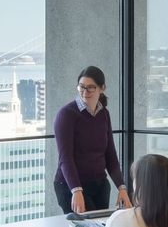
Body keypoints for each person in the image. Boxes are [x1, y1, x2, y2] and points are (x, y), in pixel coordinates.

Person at [52, 65, 131, 216]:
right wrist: (76, 189)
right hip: (70, 186)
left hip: (100, 185)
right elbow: (65, 158)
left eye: (90, 88)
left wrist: (122, 188)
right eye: (81, 87)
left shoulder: (104, 114)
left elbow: (110, 155)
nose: (84, 92)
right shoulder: (66, 114)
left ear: (102, 88)